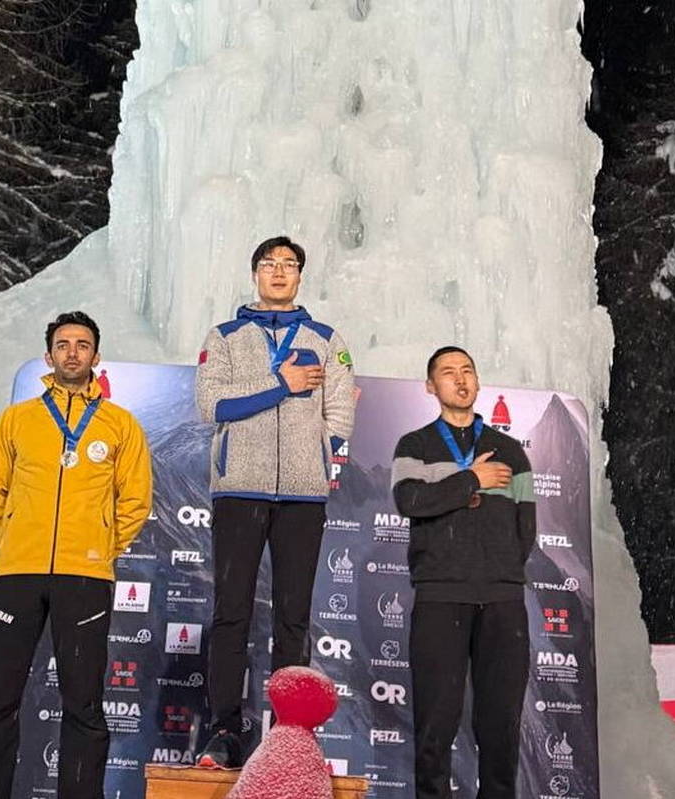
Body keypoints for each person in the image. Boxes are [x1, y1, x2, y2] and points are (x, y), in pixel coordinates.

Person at [0, 311, 153, 799]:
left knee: (84, 705)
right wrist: (13, 539)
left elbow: (135, 501)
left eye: (82, 345)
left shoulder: (119, 425)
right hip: (18, 574)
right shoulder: (17, 420)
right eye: (64, 345)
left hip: (85, 577)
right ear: (48, 356)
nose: (73, 353)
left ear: (96, 355)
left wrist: (99, 547)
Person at [193, 236, 357, 767]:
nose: (280, 271)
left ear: (300, 276)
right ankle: (223, 731)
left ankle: (291, 735)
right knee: (231, 613)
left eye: (289, 264)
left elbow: (340, 412)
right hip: (238, 489)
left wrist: (319, 454)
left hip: (303, 497)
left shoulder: (327, 340)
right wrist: (280, 384)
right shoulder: (224, 337)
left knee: (293, 618)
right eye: (270, 264)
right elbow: (211, 405)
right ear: (255, 274)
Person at [390, 346, 536, 799]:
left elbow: (526, 530)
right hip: (440, 598)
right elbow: (410, 501)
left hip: (502, 601)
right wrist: (471, 479)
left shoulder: (511, 451)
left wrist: (499, 571)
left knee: (501, 729)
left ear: (477, 381)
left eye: (467, 370)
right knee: (435, 728)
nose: (460, 379)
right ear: (431, 387)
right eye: (448, 372)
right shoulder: (414, 445)